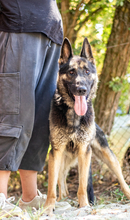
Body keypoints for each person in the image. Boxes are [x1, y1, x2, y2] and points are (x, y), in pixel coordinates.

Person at [0, 0, 64, 214]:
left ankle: (30, 197)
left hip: (51, 31)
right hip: (17, 25)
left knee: (39, 119)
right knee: (13, 112)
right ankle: (0, 197)